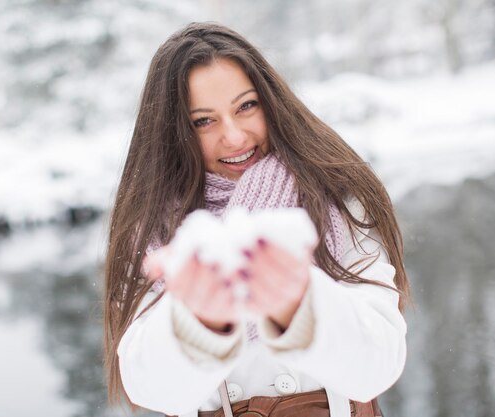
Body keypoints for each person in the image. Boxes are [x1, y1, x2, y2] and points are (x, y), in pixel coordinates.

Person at [103, 22, 409, 417]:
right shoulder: (151, 229)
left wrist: (297, 302)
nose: (234, 136)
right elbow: (148, 388)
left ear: (271, 101)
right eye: (203, 121)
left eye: (246, 106)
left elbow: (378, 365)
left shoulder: (334, 193)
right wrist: (201, 318)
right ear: (172, 131)